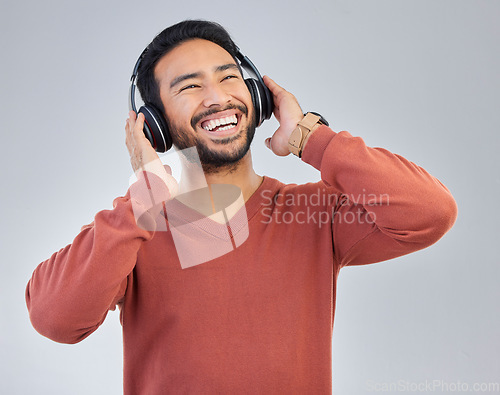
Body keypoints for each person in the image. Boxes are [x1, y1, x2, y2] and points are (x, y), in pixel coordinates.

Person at [26, 20, 457, 394]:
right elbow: (55, 319)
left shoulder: (313, 215)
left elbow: (431, 212)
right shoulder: (134, 229)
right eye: (190, 86)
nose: (217, 98)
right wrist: (144, 196)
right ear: (153, 125)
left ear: (257, 96)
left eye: (229, 78)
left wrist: (312, 138)